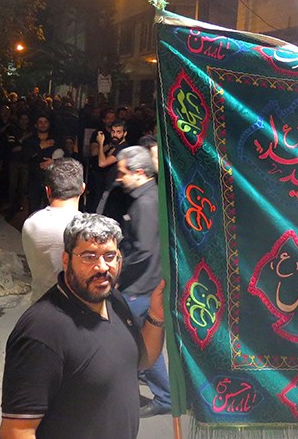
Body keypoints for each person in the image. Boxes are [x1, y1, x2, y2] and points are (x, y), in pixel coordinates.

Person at [0, 213, 166, 439]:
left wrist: (156, 315)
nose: (101, 267)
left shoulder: (113, 300)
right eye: (89, 256)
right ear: (67, 260)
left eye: (109, 256)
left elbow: (142, 359)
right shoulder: (41, 331)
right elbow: (17, 432)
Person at [115, 144, 172, 417]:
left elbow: (145, 249)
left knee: (145, 342)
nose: (119, 177)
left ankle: (166, 397)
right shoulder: (147, 197)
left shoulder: (146, 203)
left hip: (141, 285)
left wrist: (119, 272)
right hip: (143, 283)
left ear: (139, 172)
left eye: (123, 172)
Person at [21, 158, 84, 303]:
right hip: (76, 309)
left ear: (48, 190)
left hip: (40, 303)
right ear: (82, 188)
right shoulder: (87, 227)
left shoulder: (31, 223)